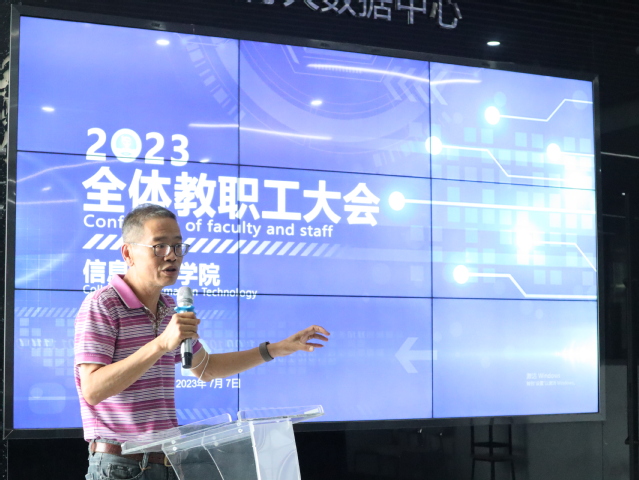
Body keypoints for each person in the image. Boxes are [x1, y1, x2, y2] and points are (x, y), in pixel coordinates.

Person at [75, 204, 330, 480]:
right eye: (159, 246)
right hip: (119, 466)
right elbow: (93, 389)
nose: (172, 255)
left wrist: (275, 349)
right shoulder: (103, 305)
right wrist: (160, 345)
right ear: (128, 253)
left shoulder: (169, 307)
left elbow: (206, 368)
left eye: (178, 246)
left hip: (168, 462)